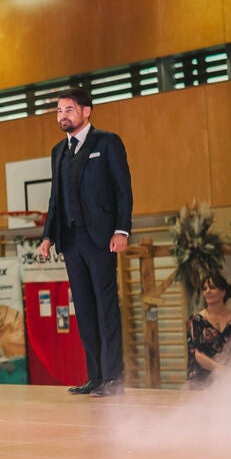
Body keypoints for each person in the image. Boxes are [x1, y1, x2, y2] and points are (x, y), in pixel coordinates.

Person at [37, 87, 132, 398]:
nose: (62, 116)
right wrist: (48, 235)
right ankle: (95, 376)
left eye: (69, 110)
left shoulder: (107, 143)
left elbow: (123, 191)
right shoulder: (58, 152)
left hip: (101, 238)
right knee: (85, 311)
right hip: (71, 241)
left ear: (86, 111)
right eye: (59, 111)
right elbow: (55, 198)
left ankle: (113, 379)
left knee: (106, 308)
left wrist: (121, 230)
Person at [186, 272, 231, 388]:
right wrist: (223, 371)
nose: (207, 291)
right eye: (205, 289)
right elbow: (198, 355)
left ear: (223, 292)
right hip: (202, 382)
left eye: (212, 287)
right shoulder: (196, 320)